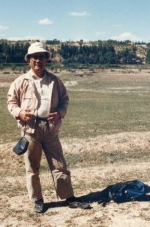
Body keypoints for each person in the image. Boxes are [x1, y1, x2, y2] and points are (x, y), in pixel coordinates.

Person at [7, 42, 90, 213]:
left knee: (59, 165)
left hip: (51, 130)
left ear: (46, 59)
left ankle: (69, 197)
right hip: (31, 131)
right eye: (35, 57)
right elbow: (11, 102)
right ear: (29, 60)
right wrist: (20, 113)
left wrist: (59, 113)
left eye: (42, 57)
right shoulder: (20, 82)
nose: (38, 60)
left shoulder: (54, 81)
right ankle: (37, 200)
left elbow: (64, 100)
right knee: (32, 168)